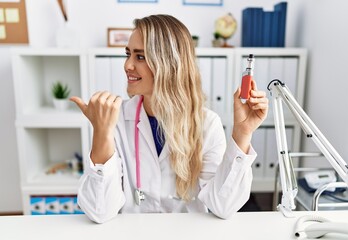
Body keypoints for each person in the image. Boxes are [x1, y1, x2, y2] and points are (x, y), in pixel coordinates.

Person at [70, 14, 268, 224]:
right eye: (128, 54)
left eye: (140, 57)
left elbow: (223, 206)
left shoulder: (207, 124)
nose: (127, 65)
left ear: (169, 64)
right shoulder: (115, 119)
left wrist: (242, 133)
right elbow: (99, 211)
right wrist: (101, 132)